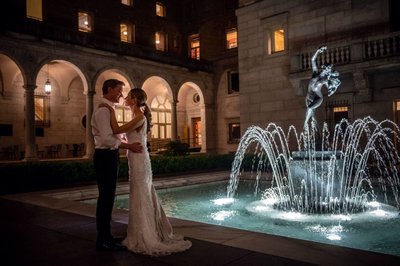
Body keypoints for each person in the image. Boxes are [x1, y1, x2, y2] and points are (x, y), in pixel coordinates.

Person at [103, 88, 192, 256]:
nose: (125, 98)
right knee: (139, 192)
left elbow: (116, 130)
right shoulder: (136, 117)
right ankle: (140, 231)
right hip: (136, 157)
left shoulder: (139, 117)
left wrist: (109, 110)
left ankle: (144, 235)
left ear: (134, 100)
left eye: (128, 96)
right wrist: (125, 140)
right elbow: (125, 135)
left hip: (138, 159)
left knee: (140, 192)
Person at [91, 79, 143, 251]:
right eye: (119, 91)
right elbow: (107, 139)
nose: (121, 95)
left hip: (109, 156)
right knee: (106, 198)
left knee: (108, 197)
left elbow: (113, 135)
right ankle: (103, 239)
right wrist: (129, 146)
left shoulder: (108, 109)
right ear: (110, 89)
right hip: (105, 156)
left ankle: (107, 237)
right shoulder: (103, 111)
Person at [304, 46, 341, 130]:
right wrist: (317, 51)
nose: (326, 70)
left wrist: (334, 84)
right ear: (323, 68)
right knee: (312, 115)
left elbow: (330, 89)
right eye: (325, 68)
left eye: (328, 70)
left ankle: (304, 126)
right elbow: (312, 60)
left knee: (310, 108)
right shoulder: (315, 73)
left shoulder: (325, 79)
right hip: (309, 96)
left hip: (318, 98)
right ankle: (315, 131)